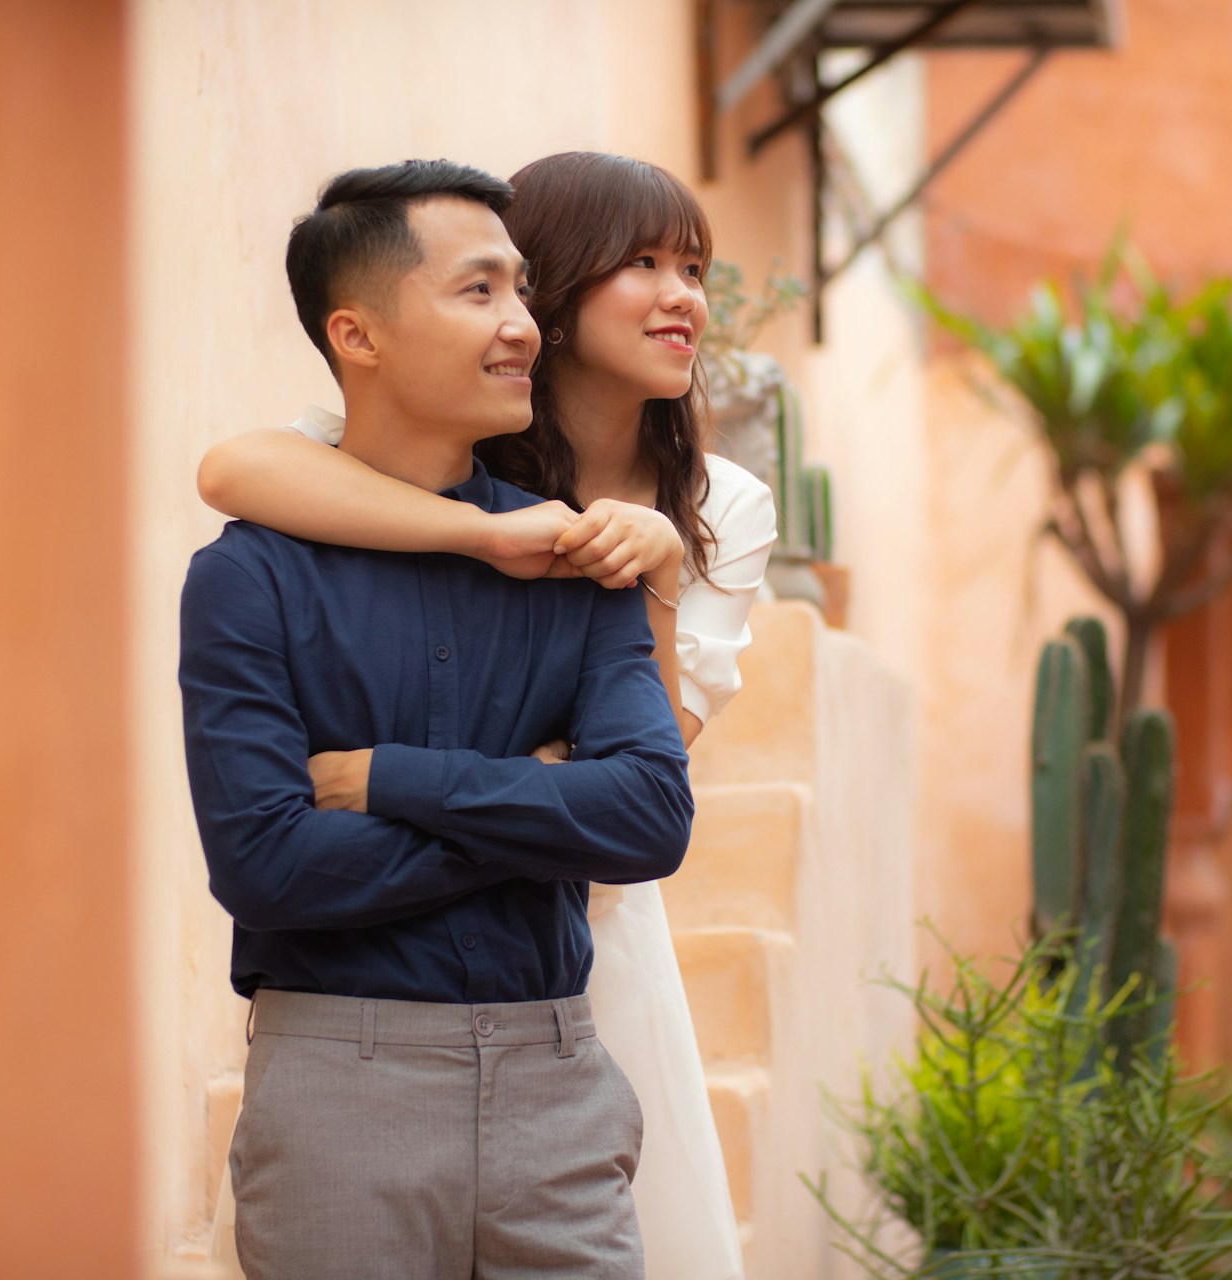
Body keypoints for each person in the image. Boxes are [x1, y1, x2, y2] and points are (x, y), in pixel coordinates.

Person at [198, 151, 776, 1280]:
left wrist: (392, 777)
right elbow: (234, 472)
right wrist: (485, 536)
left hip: (576, 970)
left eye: (695, 267)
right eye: (644, 263)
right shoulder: (417, 473)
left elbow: (645, 811)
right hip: (365, 1024)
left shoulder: (694, 517)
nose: (682, 295)